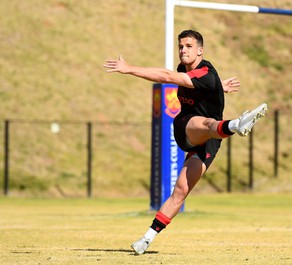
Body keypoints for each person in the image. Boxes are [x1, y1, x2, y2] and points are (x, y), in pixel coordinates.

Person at [103, 29, 267, 255]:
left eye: (188, 46)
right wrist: (220, 86)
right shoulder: (191, 72)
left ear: (200, 50)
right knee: (209, 124)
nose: (183, 50)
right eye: (181, 46)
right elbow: (177, 79)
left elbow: (172, 77)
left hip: (210, 140)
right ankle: (236, 125)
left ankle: (146, 239)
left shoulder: (207, 74)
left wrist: (129, 68)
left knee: (181, 190)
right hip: (186, 127)